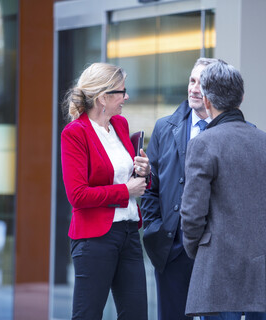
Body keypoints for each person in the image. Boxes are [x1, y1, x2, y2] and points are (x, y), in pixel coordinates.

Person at [180, 60, 266, 319]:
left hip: (219, 266)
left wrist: (198, 251)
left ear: (207, 100)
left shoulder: (204, 144)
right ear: (241, 97)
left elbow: (192, 214)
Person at [60, 62, 150, 320]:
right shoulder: (75, 133)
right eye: (122, 92)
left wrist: (144, 171)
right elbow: (77, 195)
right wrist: (125, 191)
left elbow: (133, 180)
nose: (126, 97)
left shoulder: (120, 124)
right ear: (102, 97)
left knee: (136, 315)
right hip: (95, 239)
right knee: (88, 314)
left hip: (129, 234)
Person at [140, 57, 217, 320]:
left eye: (202, 83)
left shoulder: (229, 131)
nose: (195, 89)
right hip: (171, 246)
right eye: (192, 80)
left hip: (214, 250)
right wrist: (154, 228)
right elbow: (152, 187)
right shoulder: (164, 127)